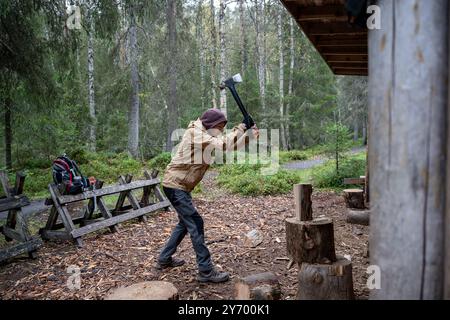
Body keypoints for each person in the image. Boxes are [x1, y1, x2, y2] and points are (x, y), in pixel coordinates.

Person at [156, 108, 259, 283]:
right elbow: (223, 144)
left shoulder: (203, 134)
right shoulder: (194, 133)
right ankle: (206, 271)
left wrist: (248, 136)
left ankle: (164, 259)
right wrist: (241, 127)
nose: (220, 131)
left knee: (184, 224)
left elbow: (229, 146)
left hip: (180, 186)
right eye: (219, 127)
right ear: (210, 125)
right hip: (175, 186)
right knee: (196, 223)